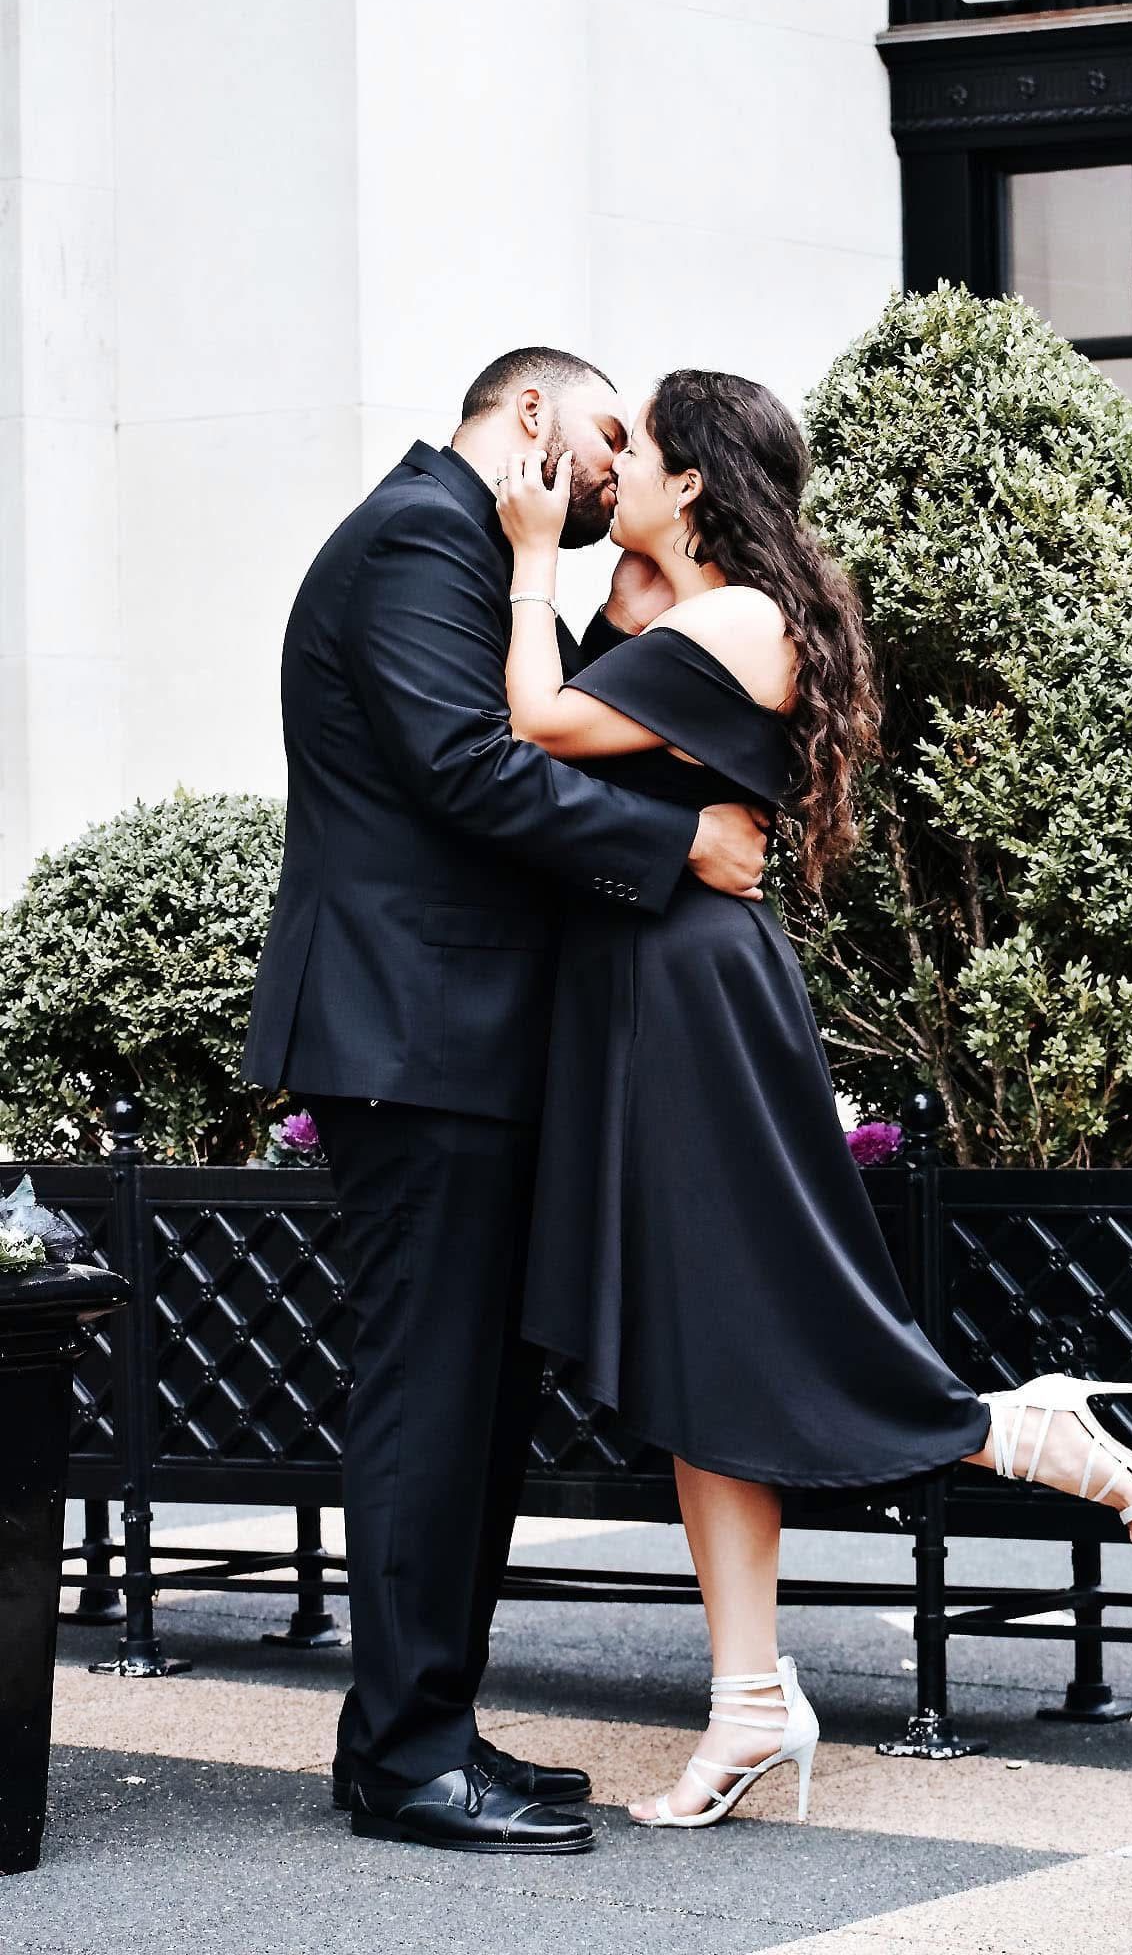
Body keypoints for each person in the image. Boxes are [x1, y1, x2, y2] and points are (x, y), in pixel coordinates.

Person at [494, 367, 1132, 1832]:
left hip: (687, 997)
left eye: (640, 457)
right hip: (653, 983)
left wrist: (536, 550)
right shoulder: (685, 610)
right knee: (698, 1344)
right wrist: (609, 557)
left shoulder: (732, 623)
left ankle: (1001, 1428)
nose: (616, 475)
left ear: (698, 485)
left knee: (754, 1302)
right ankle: (746, 1703)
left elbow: (534, 724)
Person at [241, 348, 772, 1857]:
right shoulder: (418, 533)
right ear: (529, 415)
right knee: (429, 1403)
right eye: (609, 432)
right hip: (415, 1037)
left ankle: (419, 1734)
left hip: (462, 1036)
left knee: (473, 1408)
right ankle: (411, 1763)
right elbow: (465, 769)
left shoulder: (485, 547)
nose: (621, 464)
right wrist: (677, 853)